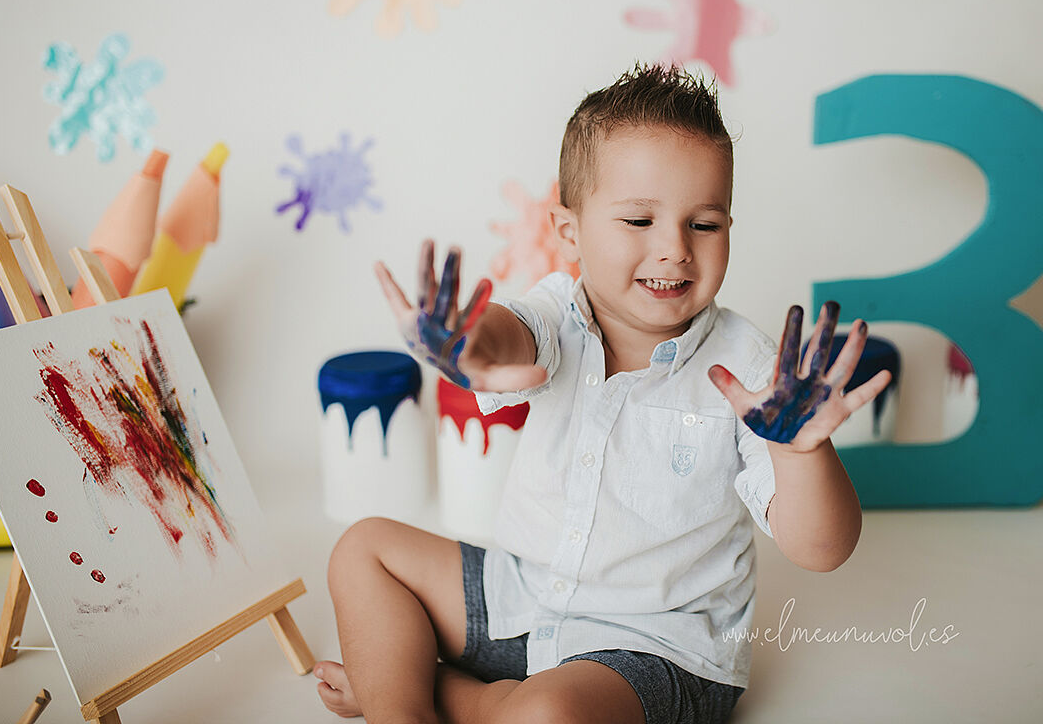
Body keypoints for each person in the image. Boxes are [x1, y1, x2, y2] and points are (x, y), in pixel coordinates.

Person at [313, 64, 891, 724]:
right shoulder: (559, 313)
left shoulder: (752, 373)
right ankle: (406, 712)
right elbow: (511, 337)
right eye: (640, 219)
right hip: (522, 599)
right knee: (363, 548)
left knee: (548, 715)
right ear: (568, 232)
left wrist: (801, 453)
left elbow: (823, 550)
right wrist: (470, 343)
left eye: (705, 224)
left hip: (655, 651)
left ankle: (439, 692)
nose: (673, 249)